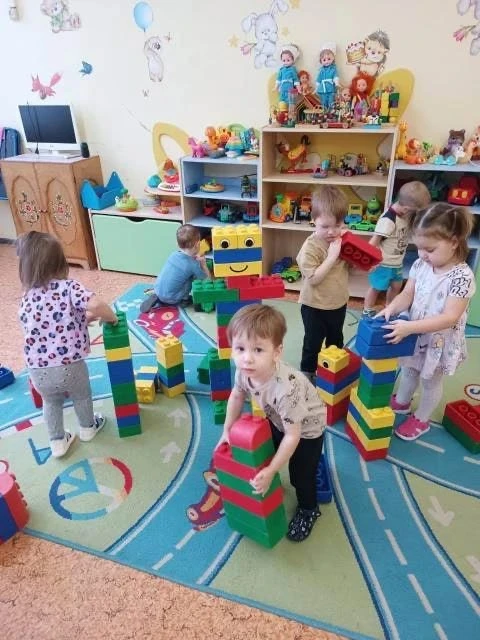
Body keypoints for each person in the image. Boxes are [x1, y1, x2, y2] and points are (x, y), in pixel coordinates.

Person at [216, 304, 326, 542]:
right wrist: (227, 430)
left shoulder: (286, 390)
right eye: (240, 348)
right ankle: (271, 477)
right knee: (266, 454)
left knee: (300, 477)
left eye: (258, 349)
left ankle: (309, 509)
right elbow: (236, 396)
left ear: (277, 352)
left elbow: (293, 435)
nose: (247, 358)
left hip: (307, 430)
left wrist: (273, 470)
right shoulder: (244, 371)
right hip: (278, 420)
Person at [376, 202, 476, 441]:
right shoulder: (421, 264)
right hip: (415, 334)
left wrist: (408, 327)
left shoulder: (462, 277)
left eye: (429, 249)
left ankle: (422, 419)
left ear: (454, 242)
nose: (422, 254)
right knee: (409, 369)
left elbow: (450, 318)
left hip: (438, 341)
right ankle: (402, 402)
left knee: (429, 380)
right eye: (419, 247)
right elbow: (407, 294)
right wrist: (391, 308)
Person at [17, 231, 118, 458]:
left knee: (50, 401)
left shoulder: (26, 298)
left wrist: (81, 320)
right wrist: (112, 318)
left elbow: (46, 327)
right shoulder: (69, 287)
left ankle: (57, 441)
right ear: (61, 263)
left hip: (37, 370)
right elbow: (98, 305)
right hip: (69, 365)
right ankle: (88, 428)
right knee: (81, 395)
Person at [296, 185, 350, 383]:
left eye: (337, 225)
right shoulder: (310, 248)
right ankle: (308, 373)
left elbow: (350, 268)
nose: (331, 232)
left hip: (338, 303)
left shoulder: (342, 240)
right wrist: (332, 256)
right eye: (325, 226)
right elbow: (313, 279)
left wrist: (366, 266)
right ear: (313, 220)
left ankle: (334, 372)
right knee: (313, 342)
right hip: (314, 306)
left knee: (336, 340)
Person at [363, 181, 431, 317]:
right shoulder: (388, 220)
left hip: (397, 262)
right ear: (406, 209)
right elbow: (374, 241)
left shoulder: (405, 215)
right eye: (415, 213)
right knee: (376, 287)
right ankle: (367, 309)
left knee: (396, 286)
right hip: (383, 263)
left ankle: (390, 307)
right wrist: (367, 260)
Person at [140, 224, 212, 312]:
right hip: (172, 299)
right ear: (197, 245)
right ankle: (184, 300)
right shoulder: (193, 265)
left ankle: (159, 297)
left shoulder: (173, 255)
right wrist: (203, 265)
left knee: (176, 273)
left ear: (177, 244)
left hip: (157, 290)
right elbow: (207, 280)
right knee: (190, 277)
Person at [315, 42, 339, 111]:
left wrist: (336, 83)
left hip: (330, 88)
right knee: (323, 101)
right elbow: (318, 79)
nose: (326, 61)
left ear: (333, 58)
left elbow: (335, 76)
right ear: (321, 61)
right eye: (324, 60)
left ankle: (331, 112)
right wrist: (317, 87)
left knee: (331, 101)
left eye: (329, 59)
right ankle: (324, 112)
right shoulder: (321, 70)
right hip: (322, 89)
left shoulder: (333, 69)